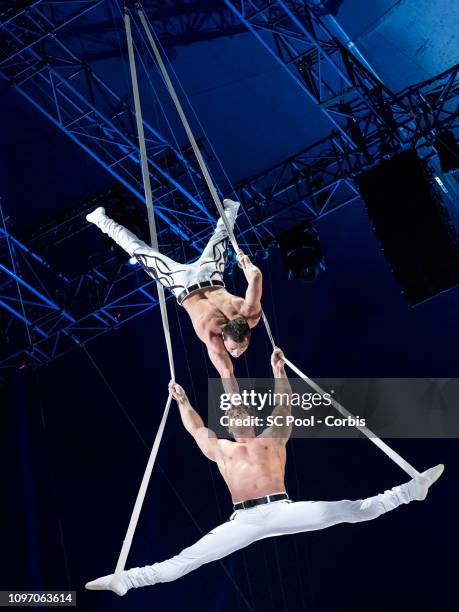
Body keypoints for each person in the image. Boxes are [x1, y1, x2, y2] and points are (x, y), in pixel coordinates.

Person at [85, 348, 444, 596]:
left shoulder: (272, 439)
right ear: (227, 422)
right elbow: (196, 429)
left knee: (349, 510)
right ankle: (126, 580)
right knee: (186, 560)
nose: (237, 417)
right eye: (231, 415)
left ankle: (411, 491)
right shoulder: (222, 449)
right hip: (242, 521)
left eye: (241, 412)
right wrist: (183, 402)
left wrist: (278, 372)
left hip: (282, 509)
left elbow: (284, 404)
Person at [86, 199, 262, 393]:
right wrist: (236, 405)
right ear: (223, 335)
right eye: (235, 348)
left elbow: (255, 276)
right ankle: (100, 220)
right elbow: (227, 374)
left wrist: (247, 265)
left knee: (218, 236)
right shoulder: (213, 333)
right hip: (185, 283)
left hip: (205, 275)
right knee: (137, 250)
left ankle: (231, 208)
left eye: (239, 349)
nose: (236, 353)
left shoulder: (250, 313)